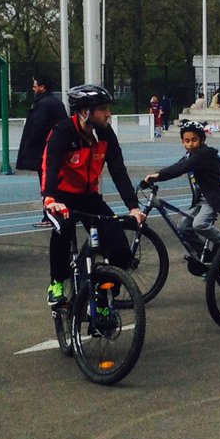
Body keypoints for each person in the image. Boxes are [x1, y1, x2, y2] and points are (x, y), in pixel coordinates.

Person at [42, 84, 144, 306]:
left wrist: (133, 206)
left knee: (120, 249)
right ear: (85, 112)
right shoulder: (62, 131)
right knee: (62, 229)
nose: (109, 113)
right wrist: (49, 198)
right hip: (61, 197)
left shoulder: (105, 134)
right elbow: (49, 166)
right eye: (103, 109)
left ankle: (103, 296)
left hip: (89, 198)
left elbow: (118, 169)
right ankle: (57, 283)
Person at [143, 119, 220, 264]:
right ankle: (207, 259)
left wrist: (158, 176)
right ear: (182, 142)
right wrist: (157, 174)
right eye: (186, 140)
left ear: (202, 139)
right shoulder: (190, 155)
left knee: (199, 224)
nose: (190, 143)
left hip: (216, 197)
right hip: (202, 200)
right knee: (183, 227)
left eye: (194, 140)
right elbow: (179, 164)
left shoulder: (203, 154)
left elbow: (181, 168)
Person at [16, 73, 67, 226]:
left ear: (42, 87)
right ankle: (58, 214)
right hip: (53, 149)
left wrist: (29, 145)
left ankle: (50, 216)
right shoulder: (55, 102)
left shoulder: (43, 104)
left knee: (47, 184)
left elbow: (37, 127)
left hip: (45, 151)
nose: (33, 88)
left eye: (35, 85)